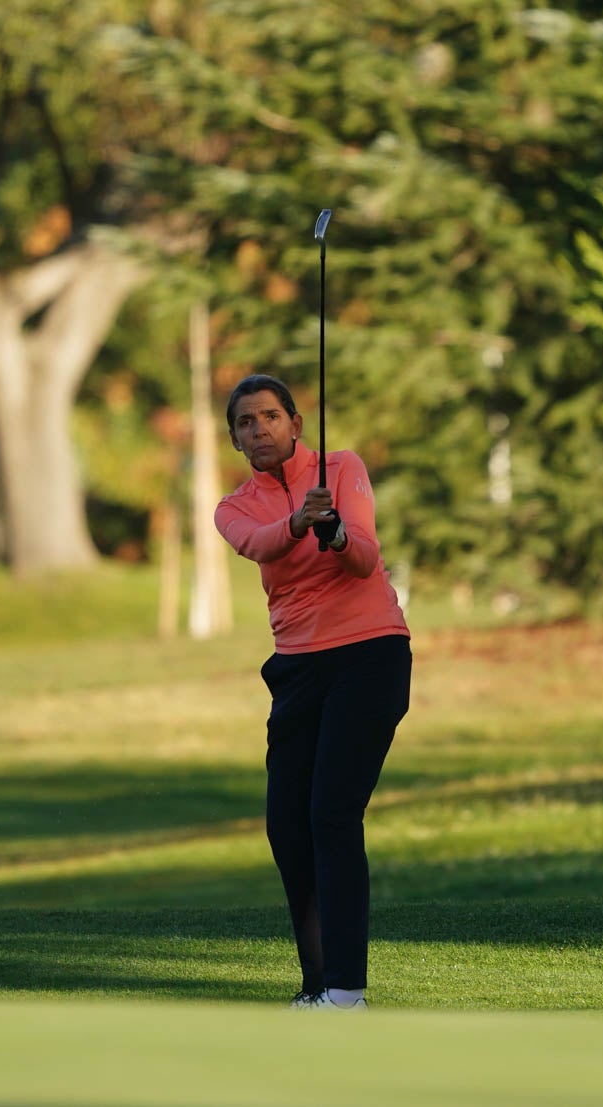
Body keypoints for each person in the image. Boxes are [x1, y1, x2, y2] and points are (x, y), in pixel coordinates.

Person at [214, 373, 412, 1011]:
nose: (260, 429)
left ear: (295, 424)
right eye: (246, 422)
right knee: (287, 827)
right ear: (237, 440)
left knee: (331, 813)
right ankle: (319, 986)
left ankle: (347, 992)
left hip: (369, 655)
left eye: (271, 416)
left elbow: (362, 558)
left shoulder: (342, 467)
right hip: (298, 667)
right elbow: (260, 542)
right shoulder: (234, 507)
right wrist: (301, 522)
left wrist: (334, 532)